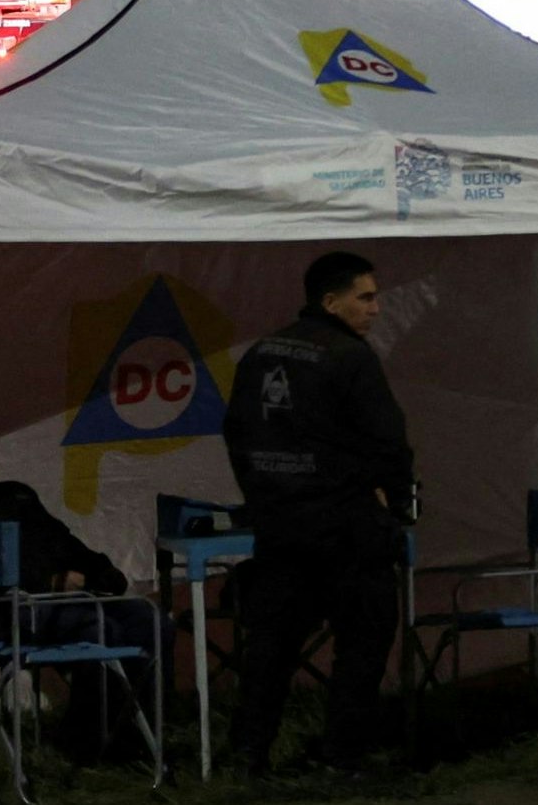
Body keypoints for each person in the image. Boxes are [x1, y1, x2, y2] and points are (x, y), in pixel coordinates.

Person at [223, 250, 415, 780]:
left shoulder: (261, 353)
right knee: (364, 641)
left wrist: (262, 497)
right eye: (366, 297)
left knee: (271, 649)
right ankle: (340, 758)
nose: (376, 308)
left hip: (280, 530)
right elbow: (389, 442)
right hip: (345, 531)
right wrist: (396, 502)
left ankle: (248, 756)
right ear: (330, 302)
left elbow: (236, 432)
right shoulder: (350, 357)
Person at [0, 421, 158, 762]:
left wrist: (99, 568)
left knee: (147, 620)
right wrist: (50, 581)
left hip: (48, 604)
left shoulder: (16, 495)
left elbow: (60, 540)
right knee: (100, 629)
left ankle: (130, 730)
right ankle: (84, 740)